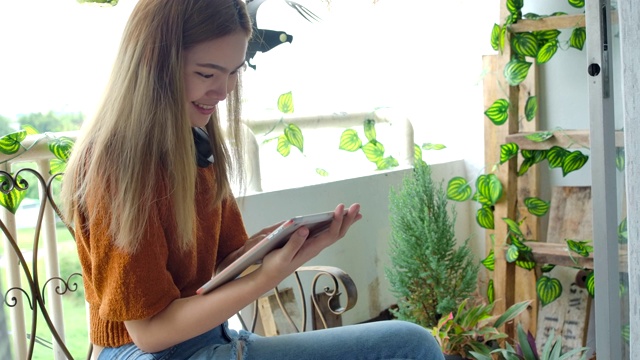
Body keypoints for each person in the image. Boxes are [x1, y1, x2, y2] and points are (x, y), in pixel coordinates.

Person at [61, 0, 444, 359]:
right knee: (409, 347)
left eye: (233, 73)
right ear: (153, 63)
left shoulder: (197, 143)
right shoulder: (117, 165)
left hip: (213, 341)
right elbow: (149, 332)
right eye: (207, 73)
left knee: (409, 344)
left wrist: (283, 248)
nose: (224, 91)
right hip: (150, 352)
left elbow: (222, 267)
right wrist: (264, 279)